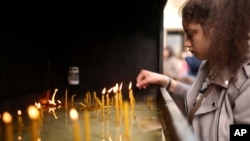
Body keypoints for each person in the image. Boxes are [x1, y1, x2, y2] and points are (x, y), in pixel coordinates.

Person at [136, 0, 250, 141]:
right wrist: (166, 81)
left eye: (191, 34)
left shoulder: (246, 77)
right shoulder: (208, 66)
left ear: (215, 30)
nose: (186, 43)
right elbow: (199, 102)